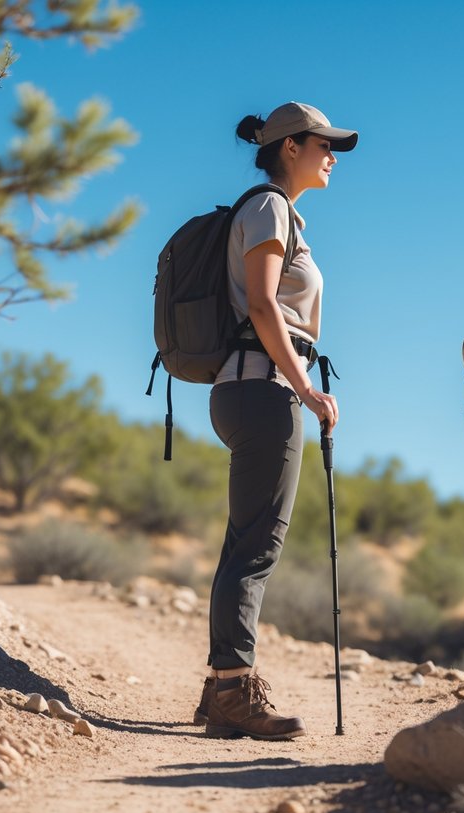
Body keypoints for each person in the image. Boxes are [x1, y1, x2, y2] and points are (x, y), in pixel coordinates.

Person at [195, 102, 358, 740]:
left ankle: (219, 690)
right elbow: (263, 304)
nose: (332, 155)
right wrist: (307, 389)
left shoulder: (278, 212)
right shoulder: (268, 208)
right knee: (258, 546)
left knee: (244, 542)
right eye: (324, 144)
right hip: (264, 393)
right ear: (290, 146)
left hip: (245, 390)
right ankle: (237, 690)